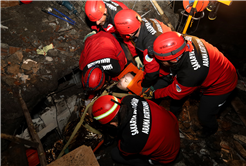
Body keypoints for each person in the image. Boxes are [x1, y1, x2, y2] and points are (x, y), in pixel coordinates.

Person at [152, 31, 238, 138]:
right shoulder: (182, 39)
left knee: (204, 115)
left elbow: (175, 93)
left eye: (160, 60)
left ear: (174, 60)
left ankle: (211, 129)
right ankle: (175, 113)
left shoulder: (191, 73)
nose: (158, 62)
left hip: (223, 85)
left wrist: (154, 94)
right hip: (216, 67)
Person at [91, 95, 181, 166]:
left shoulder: (131, 139)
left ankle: (150, 163)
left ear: (113, 124)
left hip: (168, 154)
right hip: (172, 125)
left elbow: (125, 152)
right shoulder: (129, 99)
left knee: (115, 154)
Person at [114, 9, 172, 89]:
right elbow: (130, 41)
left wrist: (144, 85)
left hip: (168, 65)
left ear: (130, 33)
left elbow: (152, 73)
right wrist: (135, 56)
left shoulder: (149, 47)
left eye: (124, 34)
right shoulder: (145, 21)